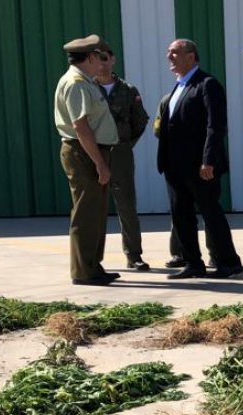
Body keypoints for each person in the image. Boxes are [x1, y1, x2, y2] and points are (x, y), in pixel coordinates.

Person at [156, 38, 243, 279]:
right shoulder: (178, 87)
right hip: (174, 166)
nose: (169, 57)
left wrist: (209, 160)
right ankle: (193, 262)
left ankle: (228, 261)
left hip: (200, 166)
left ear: (191, 56)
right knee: (181, 215)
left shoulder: (207, 84)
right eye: (168, 52)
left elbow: (215, 126)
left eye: (174, 53)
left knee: (210, 213)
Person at [54, 34, 120, 286]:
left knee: (96, 210)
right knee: (86, 212)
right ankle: (83, 270)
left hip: (90, 151)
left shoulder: (84, 81)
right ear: (90, 57)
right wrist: (100, 163)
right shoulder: (76, 83)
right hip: (85, 152)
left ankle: (93, 265)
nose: (102, 62)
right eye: (99, 56)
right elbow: (80, 126)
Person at [95, 50, 150, 271]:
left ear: (113, 59)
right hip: (94, 153)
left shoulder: (127, 90)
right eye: (97, 59)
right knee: (92, 207)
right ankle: (90, 259)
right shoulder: (87, 88)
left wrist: (125, 143)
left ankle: (133, 255)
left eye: (106, 58)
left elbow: (140, 121)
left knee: (126, 205)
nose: (102, 63)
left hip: (120, 154)